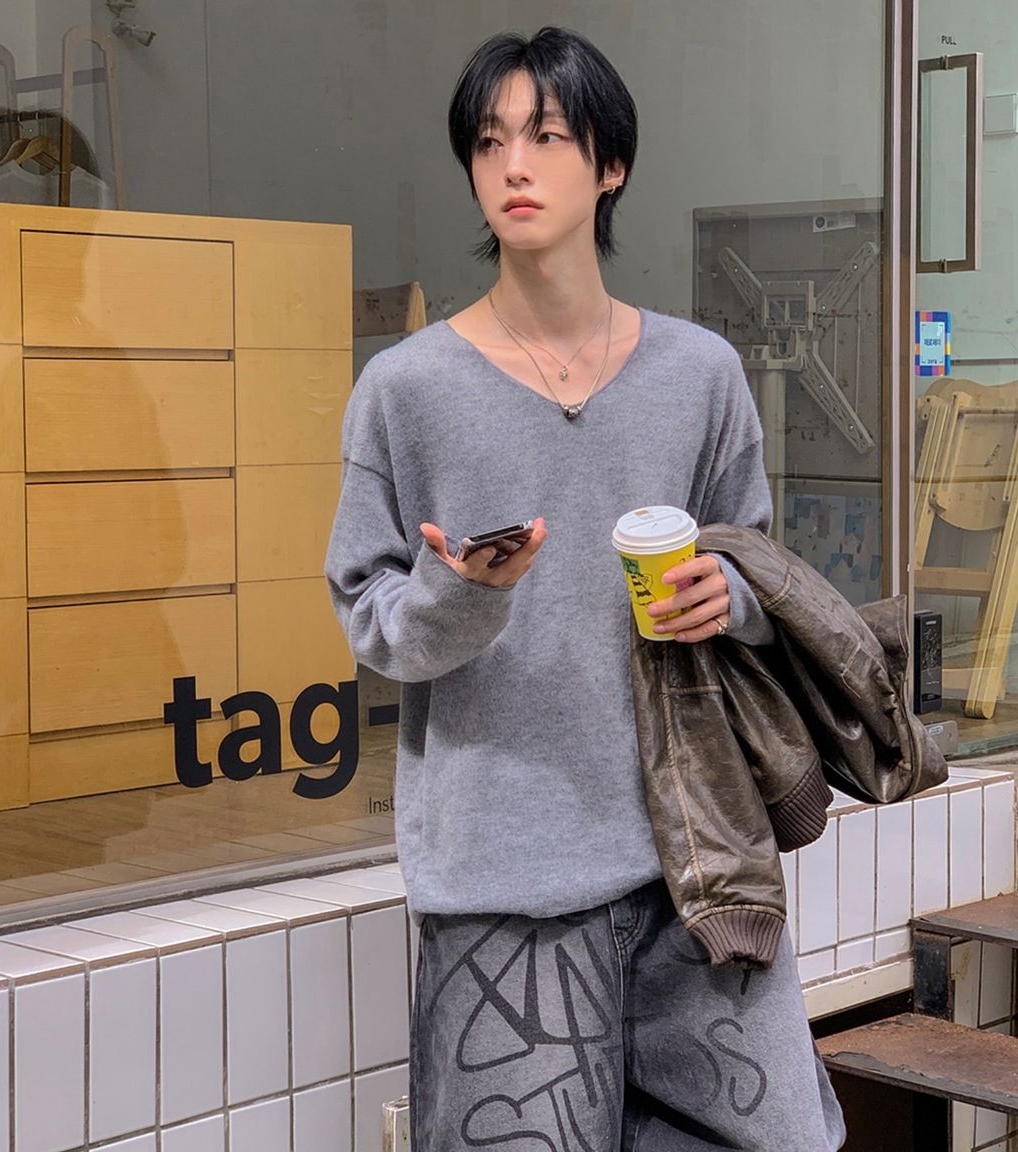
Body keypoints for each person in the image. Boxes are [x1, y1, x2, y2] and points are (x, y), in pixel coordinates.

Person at [327, 25, 846, 1152]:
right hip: (501, 881)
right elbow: (370, 622)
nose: (513, 164)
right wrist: (464, 594)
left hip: (697, 861)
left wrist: (725, 598)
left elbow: (753, 566)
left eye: (547, 136)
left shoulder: (699, 374)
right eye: (489, 141)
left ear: (610, 164)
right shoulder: (406, 389)